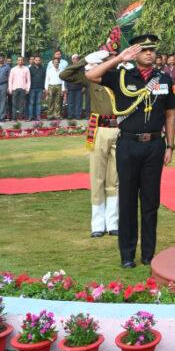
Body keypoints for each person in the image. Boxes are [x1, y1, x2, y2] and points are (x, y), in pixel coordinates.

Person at [85, 33, 175, 269]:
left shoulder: (164, 79)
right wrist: (118, 59)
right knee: (127, 201)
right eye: (144, 50)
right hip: (128, 144)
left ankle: (148, 254)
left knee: (150, 202)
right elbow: (91, 75)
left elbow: (169, 114)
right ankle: (127, 255)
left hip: (154, 146)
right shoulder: (122, 76)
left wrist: (170, 145)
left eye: (152, 50)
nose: (149, 53)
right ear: (136, 54)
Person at [62, 27, 121, 238]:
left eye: (113, 56)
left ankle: (113, 222)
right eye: (108, 56)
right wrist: (85, 59)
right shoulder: (90, 77)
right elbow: (66, 74)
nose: (111, 60)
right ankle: (98, 224)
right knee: (97, 177)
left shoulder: (122, 76)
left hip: (119, 129)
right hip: (98, 129)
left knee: (115, 179)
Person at [44, 49, 68, 119]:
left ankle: (57, 115)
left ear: (59, 63)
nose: (56, 63)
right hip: (51, 86)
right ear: (53, 62)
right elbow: (47, 80)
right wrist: (46, 88)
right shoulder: (49, 70)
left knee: (58, 101)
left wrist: (63, 89)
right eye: (55, 62)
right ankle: (50, 115)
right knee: (50, 101)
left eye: (57, 62)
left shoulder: (61, 70)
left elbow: (63, 80)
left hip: (59, 86)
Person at [27, 54, 45, 121]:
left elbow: (44, 78)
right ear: (34, 61)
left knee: (38, 103)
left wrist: (44, 88)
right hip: (32, 88)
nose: (38, 61)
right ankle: (30, 116)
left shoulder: (43, 69)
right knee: (31, 103)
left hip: (40, 88)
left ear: (41, 61)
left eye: (39, 60)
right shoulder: (30, 69)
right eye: (36, 60)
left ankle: (38, 116)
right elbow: (28, 79)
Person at [0, 53, 9, 121]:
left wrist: (8, 86)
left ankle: (2, 117)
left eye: (1, 58)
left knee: (3, 101)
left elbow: (9, 77)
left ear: (3, 59)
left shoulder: (7, 67)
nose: (0, 59)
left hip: (4, 85)